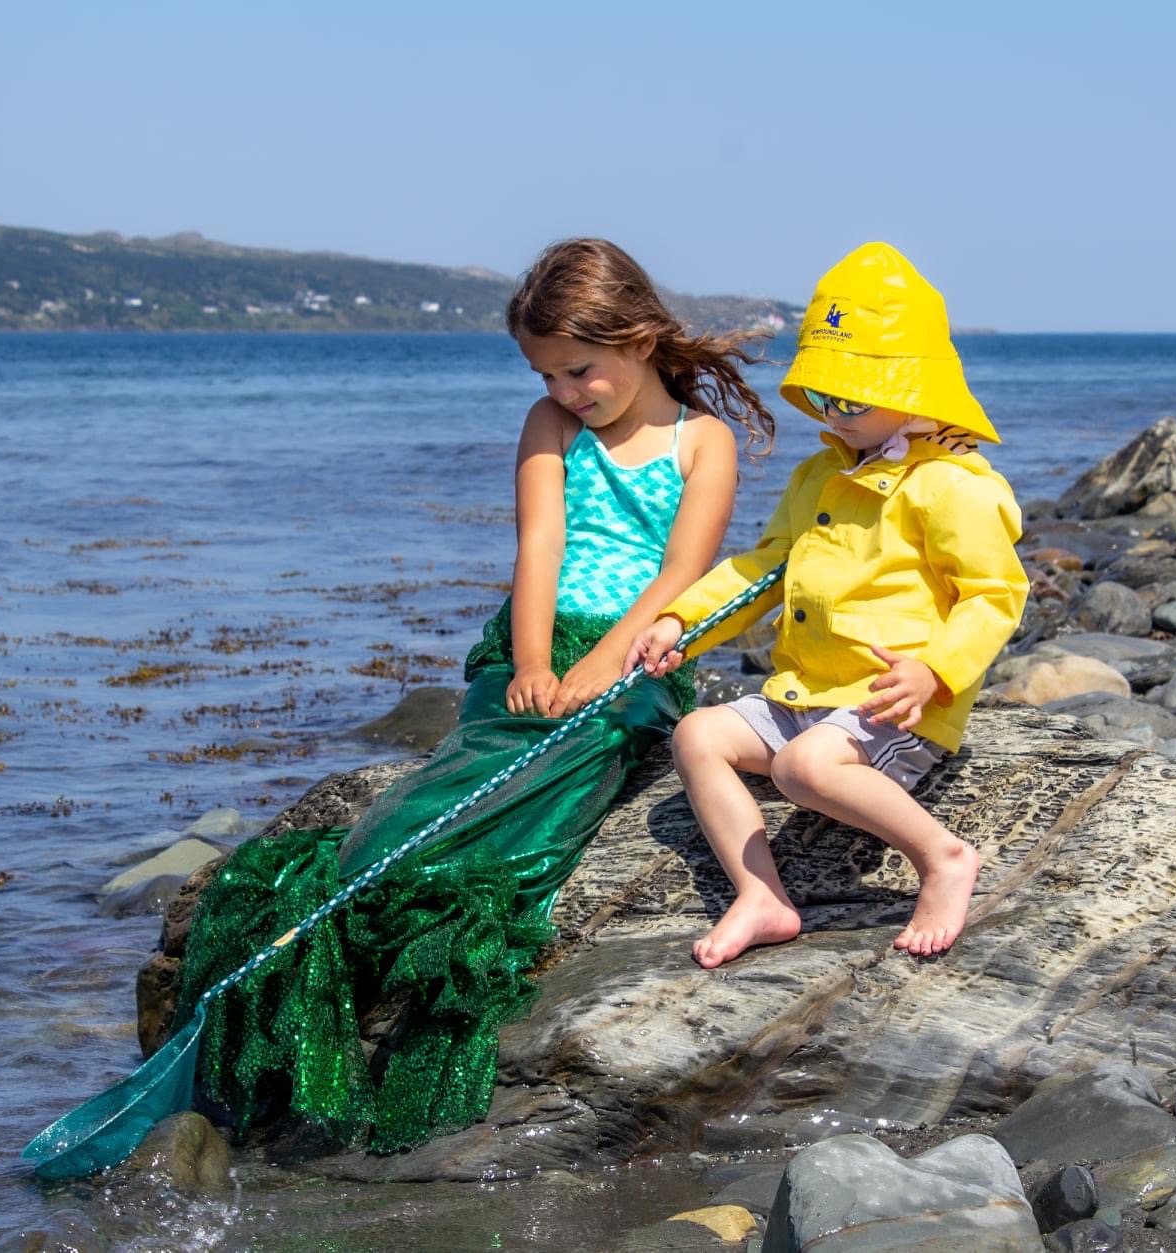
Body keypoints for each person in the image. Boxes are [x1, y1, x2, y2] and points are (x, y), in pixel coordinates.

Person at [172, 238, 773, 1152]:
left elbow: (680, 577)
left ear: (642, 339)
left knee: (560, 778)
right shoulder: (549, 426)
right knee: (472, 762)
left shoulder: (703, 442)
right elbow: (538, 549)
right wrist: (533, 659)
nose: (568, 390)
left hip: (643, 652)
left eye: (582, 369)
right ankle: (369, 877)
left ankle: (438, 908)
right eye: (548, 373)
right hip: (540, 636)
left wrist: (601, 667)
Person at [627, 242, 1028, 970]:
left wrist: (934, 671)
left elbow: (995, 595)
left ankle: (941, 857)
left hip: (891, 701)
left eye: (851, 398)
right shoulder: (818, 474)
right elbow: (764, 568)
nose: (832, 413)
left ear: (915, 390)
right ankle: (762, 895)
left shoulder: (953, 484)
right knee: (698, 734)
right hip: (806, 691)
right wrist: (686, 619)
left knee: (803, 769)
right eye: (822, 396)